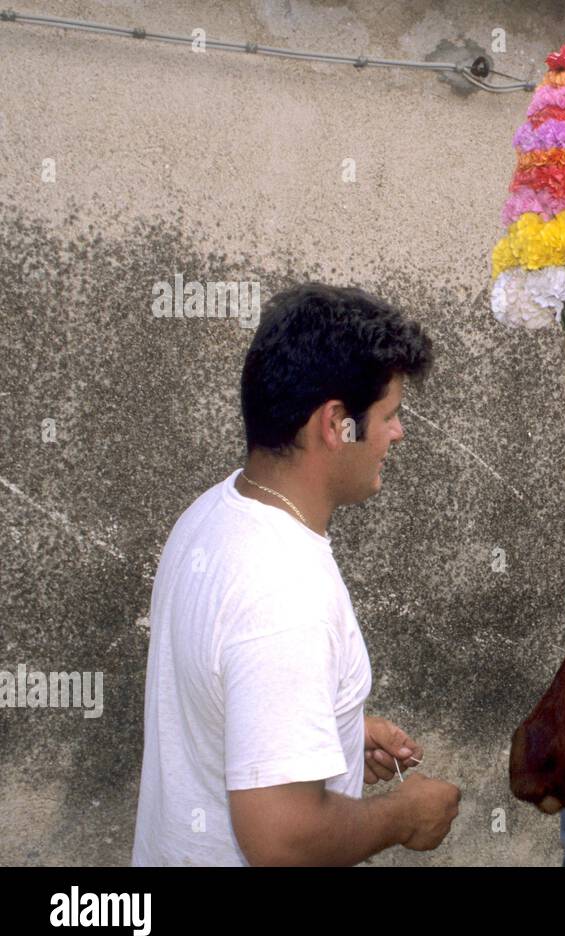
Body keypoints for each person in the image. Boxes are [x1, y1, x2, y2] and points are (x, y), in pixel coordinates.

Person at [132, 283, 460, 866]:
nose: (397, 433)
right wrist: (405, 815)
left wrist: (331, 733)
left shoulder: (213, 511)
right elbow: (282, 840)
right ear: (337, 425)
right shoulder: (283, 591)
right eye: (389, 415)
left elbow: (228, 695)